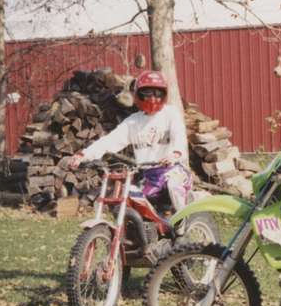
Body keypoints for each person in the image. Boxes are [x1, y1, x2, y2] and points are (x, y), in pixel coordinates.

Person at [68, 70, 193, 211]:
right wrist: (83, 155)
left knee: (173, 185)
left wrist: (175, 154)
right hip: (147, 176)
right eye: (147, 93)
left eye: (157, 93)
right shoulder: (133, 122)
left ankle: (182, 221)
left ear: (164, 94)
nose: (152, 98)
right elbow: (109, 141)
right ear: (138, 94)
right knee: (130, 198)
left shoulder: (171, 114)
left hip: (173, 170)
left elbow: (179, 135)